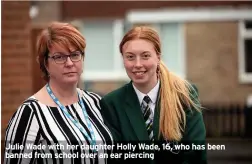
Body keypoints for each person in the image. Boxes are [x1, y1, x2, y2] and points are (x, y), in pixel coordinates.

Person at [4, 22, 113, 164]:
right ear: (45, 64)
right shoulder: (30, 113)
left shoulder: (96, 102)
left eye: (75, 55)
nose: (69, 63)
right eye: (59, 57)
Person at [100, 26, 207, 163]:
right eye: (130, 57)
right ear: (123, 60)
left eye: (145, 56)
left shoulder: (184, 94)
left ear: (158, 57)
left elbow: (195, 153)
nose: (137, 64)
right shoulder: (112, 103)